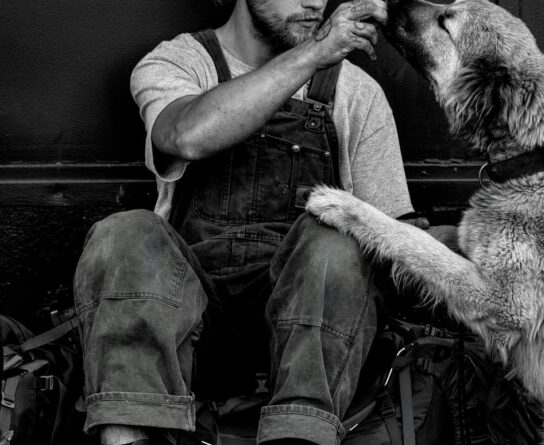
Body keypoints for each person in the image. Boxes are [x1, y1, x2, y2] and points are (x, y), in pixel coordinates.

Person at [72, 0, 429, 444]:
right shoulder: (181, 61)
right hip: (193, 329)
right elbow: (186, 135)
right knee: (124, 233)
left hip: (311, 340)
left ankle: (298, 435)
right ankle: (132, 435)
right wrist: (316, 53)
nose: (315, 2)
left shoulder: (356, 92)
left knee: (336, 239)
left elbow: (397, 246)